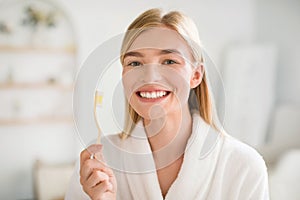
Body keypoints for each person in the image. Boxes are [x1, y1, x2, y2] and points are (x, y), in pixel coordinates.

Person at [66, 8, 269, 200]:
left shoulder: (244, 167)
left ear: (196, 75)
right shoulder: (98, 164)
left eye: (169, 61)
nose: (150, 77)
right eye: (135, 63)